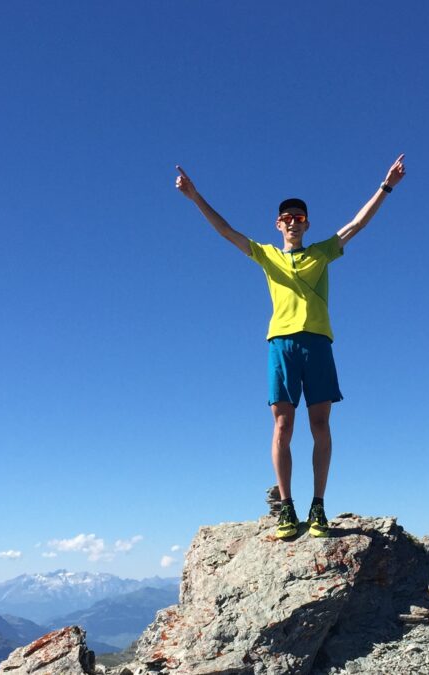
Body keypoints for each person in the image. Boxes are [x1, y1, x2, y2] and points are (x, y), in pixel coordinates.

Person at [174, 155, 406, 539]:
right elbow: (227, 231)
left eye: (300, 218)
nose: (293, 222)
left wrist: (386, 186)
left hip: (317, 342)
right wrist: (196, 197)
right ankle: (287, 508)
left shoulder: (322, 253)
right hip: (281, 343)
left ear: (307, 224)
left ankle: (318, 507)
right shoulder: (267, 255)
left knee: (320, 424)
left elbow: (357, 224)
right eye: (287, 218)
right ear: (278, 224)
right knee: (282, 424)